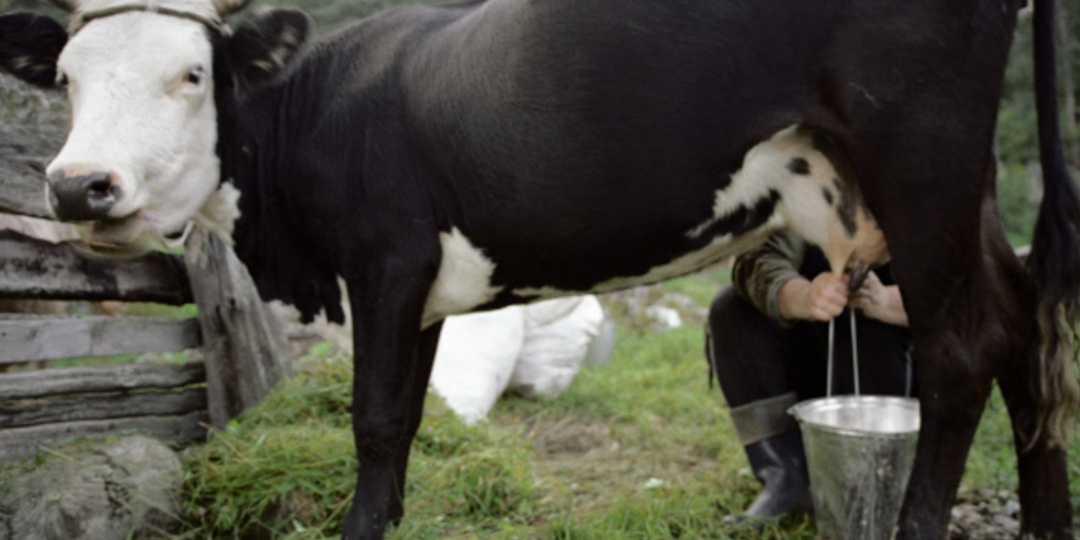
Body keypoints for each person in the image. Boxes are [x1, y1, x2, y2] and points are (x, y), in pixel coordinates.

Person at [705, 230, 913, 523]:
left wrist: (887, 301)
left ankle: (871, 486)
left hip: (897, 388)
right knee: (731, 308)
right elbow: (755, 255)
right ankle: (784, 479)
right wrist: (801, 296)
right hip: (812, 365)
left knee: (867, 328)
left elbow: (968, 291)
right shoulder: (810, 184)